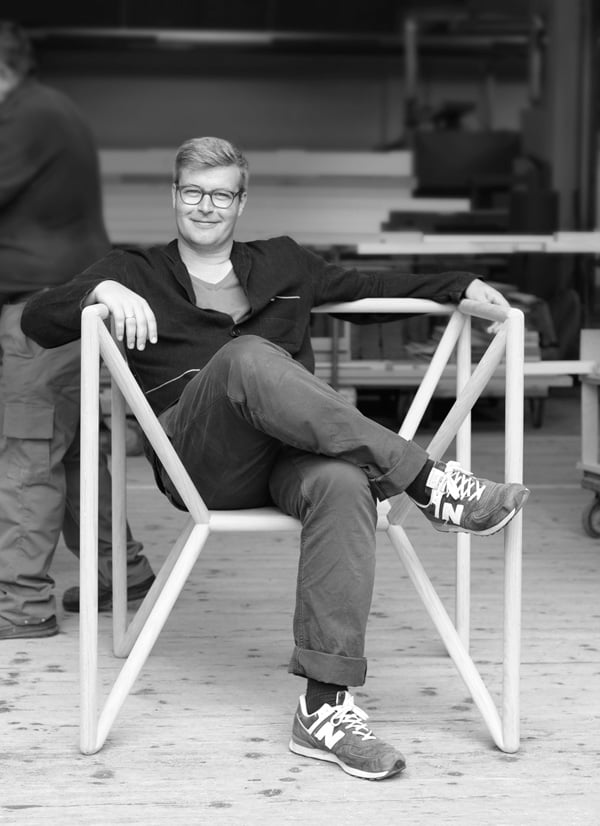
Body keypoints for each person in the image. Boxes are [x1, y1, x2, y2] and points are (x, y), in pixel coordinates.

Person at [21, 136, 529, 780]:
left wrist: (462, 283)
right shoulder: (133, 270)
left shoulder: (285, 262)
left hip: (291, 455)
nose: (206, 206)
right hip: (199, 460)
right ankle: (429, 483)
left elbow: (372, 285)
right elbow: (38, 319)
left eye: (221, 195)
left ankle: (324, 707)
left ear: (241, 202)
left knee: (344, 483)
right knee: (245, 356)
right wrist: (99, 292)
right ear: (174, 196)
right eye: (193, 192)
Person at [0, 20, 155, 641]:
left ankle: (20, 602)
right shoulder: (42, 109)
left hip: (43, 309)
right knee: (70, 452)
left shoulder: (28, 114)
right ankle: (122, 572)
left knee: (29, 448)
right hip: (63, 303)